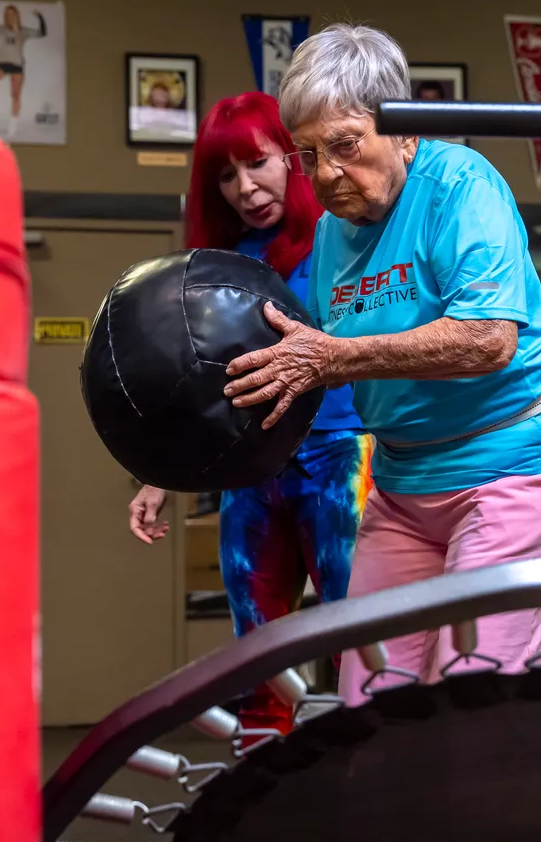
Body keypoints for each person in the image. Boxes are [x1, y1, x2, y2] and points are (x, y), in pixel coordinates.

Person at [223, 24, 541, 705]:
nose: (327, 173)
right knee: (370, 693)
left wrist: (335, 359)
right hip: (404, 480)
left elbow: (487, 339)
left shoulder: (460, 185)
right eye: (308, 154)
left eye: (345, 145)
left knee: (474, 687)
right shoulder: (333, 229)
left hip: (514, 463)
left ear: (402, 128)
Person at [127, 91, 373, 734]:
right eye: (226, 176)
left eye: (257, 164)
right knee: (258, 658)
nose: (245, 187)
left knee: (366, 648)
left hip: (341, 454)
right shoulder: (221, 266)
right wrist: (163, 473)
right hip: (250, 470)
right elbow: (198, 383)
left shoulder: (341, 238)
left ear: (291, 160)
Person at [0, 4, 47, 139]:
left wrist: (40, 17)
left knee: (15, 95)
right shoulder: (0, 29)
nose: (10, 17)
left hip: (17, 66)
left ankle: (13, 126)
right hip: (2, 64)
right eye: (7, 15)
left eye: (12, 14)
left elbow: (42, 33)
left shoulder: (22, 31)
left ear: (17, 16)